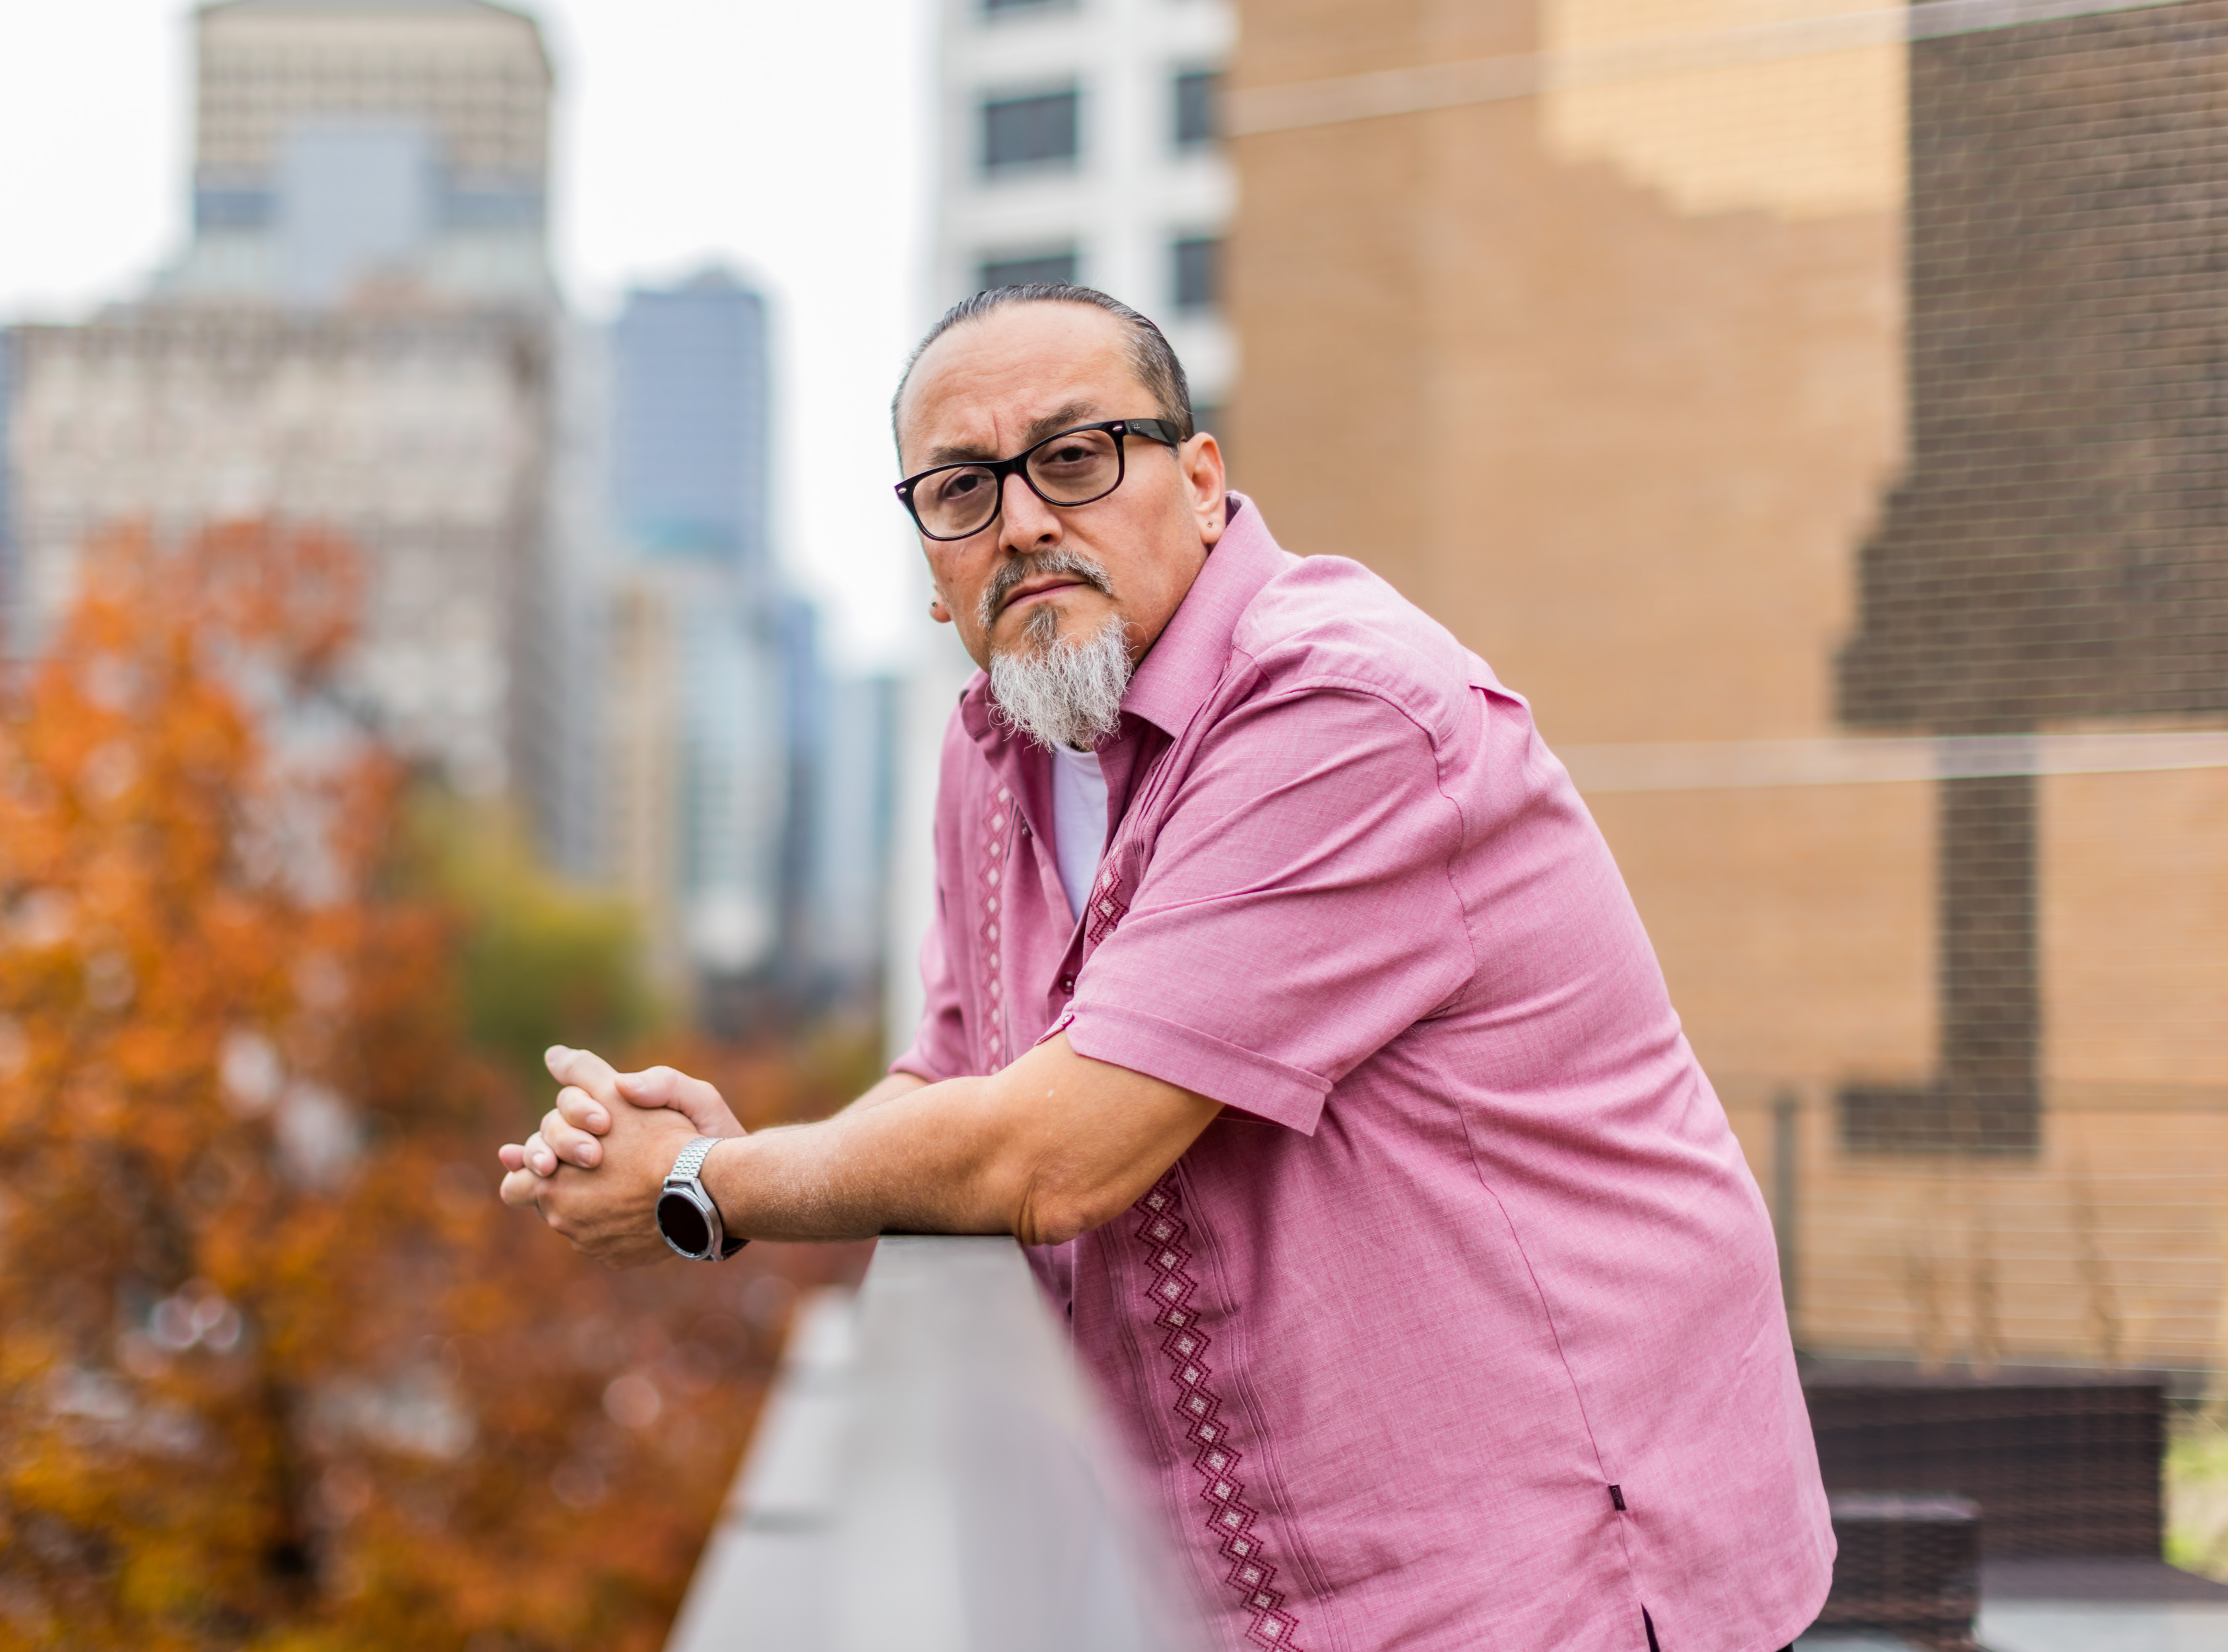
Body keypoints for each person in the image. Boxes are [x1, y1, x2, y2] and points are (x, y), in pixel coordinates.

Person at [500, 284, 1832, 1651]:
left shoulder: (1343, 707)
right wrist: (751, 1147)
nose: (1022, 520)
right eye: (962, 488)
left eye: (1073, 459)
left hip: (1548, 1573)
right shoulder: (991, 747)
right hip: (1243, 1595)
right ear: (929, 553)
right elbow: (955, 1071)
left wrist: (703, 1188)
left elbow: (1054, 1155)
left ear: (1200, 481)